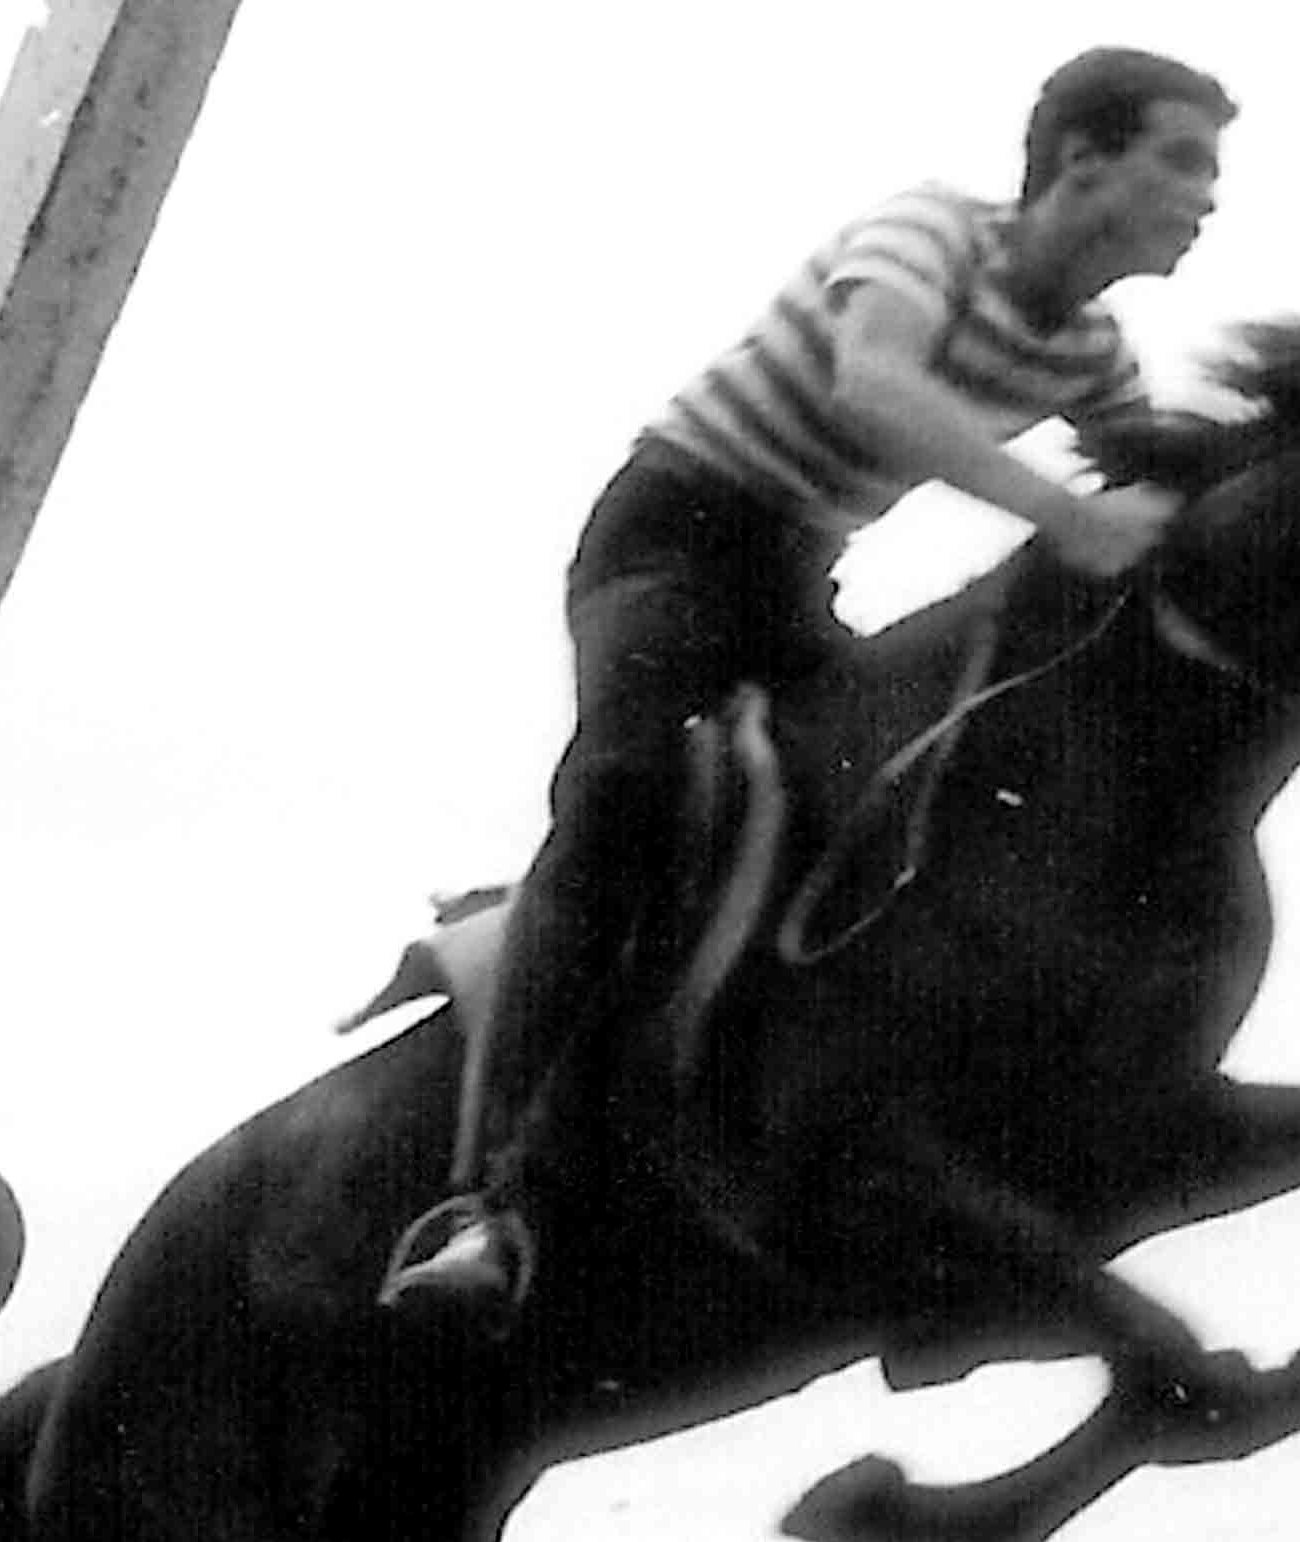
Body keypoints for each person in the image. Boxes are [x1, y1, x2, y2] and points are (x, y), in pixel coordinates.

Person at [379, 47, 1237, 1319]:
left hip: (790, 581)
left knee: (904, 793)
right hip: (668, 541)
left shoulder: (1093, 353)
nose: (1206, 197)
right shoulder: (929, 231)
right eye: (1182, 161)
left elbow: (1170, 500)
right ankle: (480, 1200)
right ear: (1078, 163)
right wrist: (1058, 511)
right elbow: (872, 381)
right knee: (621, 786)